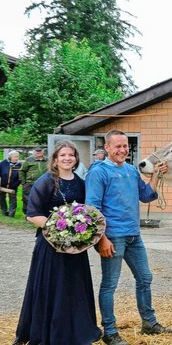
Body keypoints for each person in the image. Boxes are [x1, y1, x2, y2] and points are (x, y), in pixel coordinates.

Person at [85, 129, 172, 345]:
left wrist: (155, 176)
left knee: (145, 278)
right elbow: (92, 208)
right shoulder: (98, 172)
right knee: (110, 285)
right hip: (113, 237)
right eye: (118, 146)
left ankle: (149, 323)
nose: (123, 150)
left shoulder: (131, 171)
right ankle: (110, 331)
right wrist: (101, 239)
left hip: (134, 235)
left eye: (125, 146)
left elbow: (145, 196)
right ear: (107, 148)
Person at [13, 140, 102, 345]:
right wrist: (59, 230)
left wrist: (78, 233)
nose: (67, 158)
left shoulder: (80, 181)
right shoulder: (45, 181)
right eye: (63, 155)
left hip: (75, 247)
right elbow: (32, 214)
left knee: (74, 287)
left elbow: (86, 211)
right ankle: (50, 332)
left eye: (71, 155)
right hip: (51, 245)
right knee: (53, 287)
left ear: (76, 158)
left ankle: (76, 331)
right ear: (55, 159)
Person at [19, 146, 48, 216]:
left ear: (43, 151)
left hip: (43, 184)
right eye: (37, 151)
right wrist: (23, 183)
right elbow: (22, 171)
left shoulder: (47, 160)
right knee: (27, 199)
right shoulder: (29, 160)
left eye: (40, 151)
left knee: (42, 199)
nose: (38, 152)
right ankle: (27, 215)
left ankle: (39, 214)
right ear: (34, 152)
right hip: (30, 183)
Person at [0, 150, 21, 217]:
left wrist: (16, 184)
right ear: (10, 157)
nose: (16, 158)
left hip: (13, 186)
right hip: (2, 185)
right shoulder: (3, 163)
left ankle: (11, 215)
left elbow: (20, 177)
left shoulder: (19, 165)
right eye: (15, 157)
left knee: (13, 200)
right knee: (1, 199)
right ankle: (4, 211)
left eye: (17, 157)